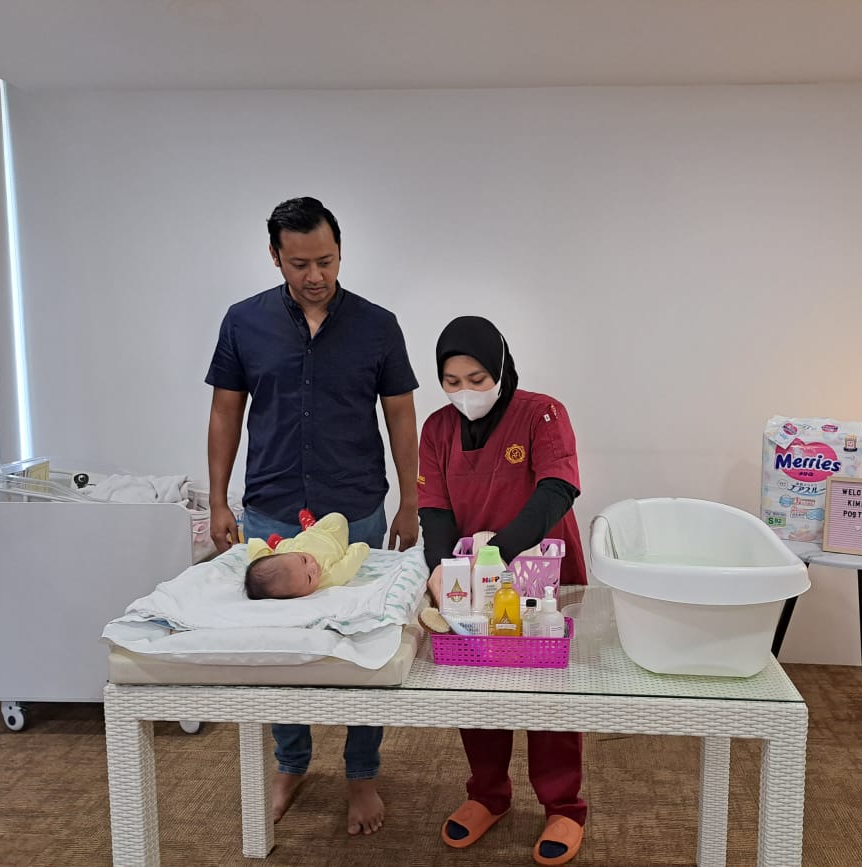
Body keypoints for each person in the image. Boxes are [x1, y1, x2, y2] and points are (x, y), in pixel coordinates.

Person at [205, 196, 419, 834]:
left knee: (362, 643)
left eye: (325, 260)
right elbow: (225, 411)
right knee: (278, 646)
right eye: (300, 263)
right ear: (275, 257)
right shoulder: (243, 322)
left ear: (341, 252)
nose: (315, 275)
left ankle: (362, 774)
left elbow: (401, 413)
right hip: (271, 509)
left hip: (356, 509)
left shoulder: (378, 326)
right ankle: (290, 763)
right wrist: (218, 499)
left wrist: (411, 499)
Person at [418, 315, 588, 866]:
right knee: (476, 682)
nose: (465, 392)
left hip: (539, 569)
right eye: (452, 382)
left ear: (500, 368)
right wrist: (442, 568)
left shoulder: (541, 413)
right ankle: (487, 793)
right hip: (473, 576)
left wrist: (501, 550)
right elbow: (434, 508)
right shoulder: (437, 430)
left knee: (549, 690)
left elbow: (557, 488)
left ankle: (563, 805)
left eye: (477, 379)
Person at [244, 511, 371, 600]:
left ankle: (290, 537)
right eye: (309, 578)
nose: (312, 567)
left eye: (304, 560)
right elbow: (349, 563)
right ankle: (308, 528)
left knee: (288, 545)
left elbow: (282, 553)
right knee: (338, 519)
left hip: (307, 538)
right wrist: (359, 548)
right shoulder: (330, 577)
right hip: (332, 539)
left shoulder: (289, 556)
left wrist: (280, 547)